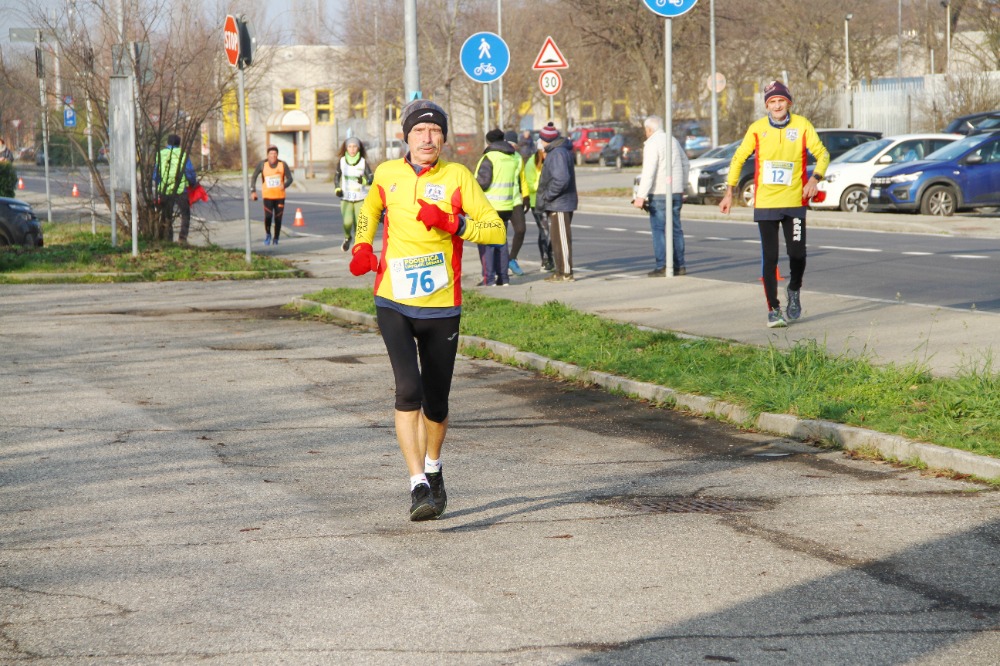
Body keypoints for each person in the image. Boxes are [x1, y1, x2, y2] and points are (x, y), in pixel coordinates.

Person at [349, 99, 506, 521]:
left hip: (441, 307)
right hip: (393, 300)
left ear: (444, 138)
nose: (428, 138)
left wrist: (454, 223)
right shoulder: (387, 173)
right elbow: (369, 210)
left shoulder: (458, 177)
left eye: (435, 131)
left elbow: (496, 230)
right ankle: (417, 483)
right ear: (406, 136)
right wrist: (362, 245)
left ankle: (434, 468)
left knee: (436, 403)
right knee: (408, 391)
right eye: (419, 130)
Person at [719, 80, 830, 328]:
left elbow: (823, 154)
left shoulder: (802, 125)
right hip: (767, 203)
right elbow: (738, 158)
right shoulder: (757, 129)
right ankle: (774, 309)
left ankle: (794, 289)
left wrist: (814, 179)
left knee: (797, 254)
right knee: (770, 258)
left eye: (781, 101)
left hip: (794, 202)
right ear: (767, 106)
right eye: (772, 102)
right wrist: (729, 192)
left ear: (788, 103)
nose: (777, 105)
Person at [633, 116, 689, 277]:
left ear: (649, 129)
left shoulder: (652, 143)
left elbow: (649, 171)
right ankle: (679, 265)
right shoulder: (673, 140)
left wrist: (640, 196)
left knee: (659, 230)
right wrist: (682, 186)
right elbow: (686, 163)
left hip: (659, 192)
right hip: (676, 191)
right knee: (676, 229)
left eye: (646, 130)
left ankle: (663, 265)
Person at [474, 128, 521, 286]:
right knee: (501, 242)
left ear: (489, 142)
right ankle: (503, 278)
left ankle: (489, 279)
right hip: (506, 206)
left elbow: (483, 182)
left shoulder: (490, 157)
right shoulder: (512, 157)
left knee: (487, 243)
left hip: (489, 207)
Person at [535, 122, 578, 282]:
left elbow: (561, 179)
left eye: (541, 139)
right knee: (557, 240)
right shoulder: (556, 151)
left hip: (560, 203)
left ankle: (565, 272)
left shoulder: (557, 153)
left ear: (546, 140)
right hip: (557, 202)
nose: (540, 142)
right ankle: (560, 271)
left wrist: (548, 195)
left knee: (562, 239)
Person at [153, 134, 198, 244]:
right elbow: (189, 172)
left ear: (167, 143)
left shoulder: (160, 154)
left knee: (166, 215)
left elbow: (155, 174)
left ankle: (168, 238)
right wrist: (193, 183)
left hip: (165, 189)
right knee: (185, 214)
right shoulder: (182, 154)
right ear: (179, 144)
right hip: (180, 189)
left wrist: (159, 185)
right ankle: (182, 238)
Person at [249, 145, 294, 246]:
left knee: (278, 218)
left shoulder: (282, 164)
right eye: (271, 153)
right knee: (268, 216)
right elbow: (254, 177)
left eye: (275, 153)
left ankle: (276, 238)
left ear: (277, 155)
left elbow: (290, 179)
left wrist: (284, 185)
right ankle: (268, 234)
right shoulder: (262, 164)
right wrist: (253, 191)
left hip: (280, 196)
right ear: (267, 155)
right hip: (268, 196)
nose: (273, 156)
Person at [335, 137, 373, 252]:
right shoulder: (342, 161)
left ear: (359, 148)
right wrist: (337, 188)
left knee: (359, 223)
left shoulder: (363, 162)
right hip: (346, 197)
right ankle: (347, 237)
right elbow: (336, 176)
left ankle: (358, 244)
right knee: (347, 222)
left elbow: (371, 178)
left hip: (360, 197)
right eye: (350, 146)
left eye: (355, 146)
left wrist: (364, 181)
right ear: (346, 148)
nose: (352, 149)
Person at [523, 139, 554, 271]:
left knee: (553, 232)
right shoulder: (531, 163)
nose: (546, 154)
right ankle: (545, 260)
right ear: (539, 151)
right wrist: (545, 185)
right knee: (544, 231)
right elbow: (530, 185)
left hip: (551, 201)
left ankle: (551, 257)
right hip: (537, 202)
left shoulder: (552, 160)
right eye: (544, 151)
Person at [504, 130, 530, 276]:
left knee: (521, 229)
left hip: (515, 200)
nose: (512, 147)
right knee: (500, 235)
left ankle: (512, 259)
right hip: (499, 201)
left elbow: (523, 179)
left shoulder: (518, 157)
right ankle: (500, 264)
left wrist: (526, 197)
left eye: (514, 145)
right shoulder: (498, 156)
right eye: (510, 144)